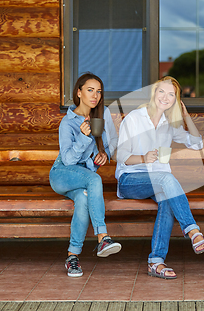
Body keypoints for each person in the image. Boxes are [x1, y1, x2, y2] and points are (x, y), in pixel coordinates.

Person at [115, 76, 204, 280]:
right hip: (130, 180)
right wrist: (144, 157)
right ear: (153, 93)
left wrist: (185, 115)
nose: (165, 97)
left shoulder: (170, 124)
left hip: (159, 182)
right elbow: (121, 156)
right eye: (162, 92)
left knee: (167, 199)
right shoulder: (134, 118)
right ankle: (193, 232)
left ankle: (156, 261)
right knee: (167, 179)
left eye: (171, 95)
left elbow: (196, 143)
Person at [49, 73, 122, 277]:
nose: (95, 95)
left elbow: (109, 144)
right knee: (94, 179)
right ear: (79, 92)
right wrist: (83, 136)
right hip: (62, 174)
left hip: (84, 178)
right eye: (90, 90)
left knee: (83, 199)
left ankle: (72, 257)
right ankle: (102, 236)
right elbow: (69, 160)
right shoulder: (68, 123)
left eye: (98, 91)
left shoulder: (102, 114)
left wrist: (104, 155)